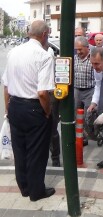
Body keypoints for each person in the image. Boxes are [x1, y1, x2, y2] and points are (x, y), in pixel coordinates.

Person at [2, 20, 56, 201]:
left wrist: (8, 109)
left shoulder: (13, 52)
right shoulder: (44, 55)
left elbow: (6, 85)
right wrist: (47, 112)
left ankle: (24, 187)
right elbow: (42, 92)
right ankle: (36, 191)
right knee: (36, 152)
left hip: (15, 105)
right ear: (45, 34)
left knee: (20, 150)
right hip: (34, 108)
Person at [74, 36, 96, 147]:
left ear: (87, 48)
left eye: (80, 49)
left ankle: (94, 134)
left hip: (89, 91)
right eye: (76, 49)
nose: (78, 52)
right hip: (77, 90)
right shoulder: (75, 58)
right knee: (76, 115)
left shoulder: (93, 59)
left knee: (89, 116)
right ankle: (81, 137)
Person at [43, 41, 61, 167]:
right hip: (40, 96)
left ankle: (55, 158)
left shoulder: (51, 57)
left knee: (52, 129)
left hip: (50, 94)